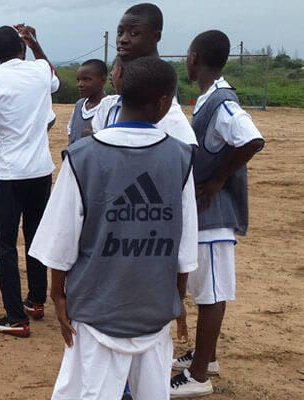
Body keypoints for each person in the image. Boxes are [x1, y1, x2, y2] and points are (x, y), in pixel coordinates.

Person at [29, 56, 197, 400]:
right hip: (153, 308)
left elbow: (61, 239)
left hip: (95, 308)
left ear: (120, 92)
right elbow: (184, 247)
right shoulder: (181, 158)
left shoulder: (82, 156)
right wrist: (177, 302)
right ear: (163, 102)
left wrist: (58, 295)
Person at [169, 30, 265, 398]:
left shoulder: (223, 100)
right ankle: (205, 357)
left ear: (194, 57)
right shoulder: (209, 97)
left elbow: (251, 139)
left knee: (210, 294)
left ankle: (198, 377)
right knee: (205, 290)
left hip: (214, 214)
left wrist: (218, 179)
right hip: (206, 213)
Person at [0, 25, 59, 337]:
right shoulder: (40, 70)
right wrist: (35, 42)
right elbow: (52, 75)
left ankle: (16, 318)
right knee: (35, 237)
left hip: (7, 173)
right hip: (41, 172)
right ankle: (36, 301)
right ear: (23, 49)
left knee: (3, 246)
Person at [91, 3, 197, 147]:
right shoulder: (109, 106)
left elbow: (188, 150)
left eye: (134, 33)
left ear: (156, 36)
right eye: (120, 32)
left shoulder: (164, 112)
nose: (123, 39)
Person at [67, 59, 107, 145]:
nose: (80, 84)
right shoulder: (79, 105)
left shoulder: (108, 108)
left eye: (86, 79)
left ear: (103, 80)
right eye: (78, 80)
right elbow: (71, 132)